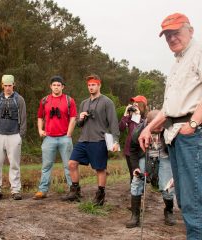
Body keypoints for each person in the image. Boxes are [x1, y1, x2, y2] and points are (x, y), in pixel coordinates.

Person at [138, 13, 202, 239]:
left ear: (190, 30)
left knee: (194, 201)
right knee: (184, 199)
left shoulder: (198, 53)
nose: (172, 38)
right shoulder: (176, 63)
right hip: (174, 135)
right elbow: (168, 108)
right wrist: (148, 128)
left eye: (176, 32)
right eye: (167, 35)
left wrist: (193, 124)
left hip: (192, 135)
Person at [62, 74, 120, 205]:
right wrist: (80, 118)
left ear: (99, 85)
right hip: (83, 139)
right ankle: (75, 192)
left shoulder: (107, 102)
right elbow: (79, 124)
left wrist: (115, 140)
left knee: (100, 169)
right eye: (89, 85)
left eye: (93, 85)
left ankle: (100, 196)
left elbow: (113, 122)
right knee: (71, 163)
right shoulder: (84, 103)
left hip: (99, 140)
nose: (91, 87)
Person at [126, 110, 176, 228]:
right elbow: (132, 152)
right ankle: (135, 215)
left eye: (161, 126)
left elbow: (177, 148)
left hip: (165, 157)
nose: (159, 129)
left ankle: (169, 211)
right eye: (156, 127)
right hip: (145, 156)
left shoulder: (170, 128)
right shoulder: (137, 131)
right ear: (148, 123)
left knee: (167, 186)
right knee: (136, 181)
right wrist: (135, 168)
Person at [33, 75, 77, 200]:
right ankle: (43, 190)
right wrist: (40, 130)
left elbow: (73, 117)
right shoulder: (44, 100)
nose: (56, 87)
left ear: (62, 87)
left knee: (68, 165)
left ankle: (72, 190)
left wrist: (69, 133)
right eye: (54, 85)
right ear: (50, 86)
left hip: (64, 137)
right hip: (49, 138)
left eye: (59, 85)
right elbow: (40, 117)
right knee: (46, 166)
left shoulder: (69, 100)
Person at [0, 74, 27, 200]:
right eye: (5, 85)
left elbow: (23, 117)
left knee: (14, 164)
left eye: (10, 85)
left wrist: (20, 135)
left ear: (13, 85)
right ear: (2, 85)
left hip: (14, 135)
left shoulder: (19, 99)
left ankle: (15, 190)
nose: (7, 88)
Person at [119, 95, 148, 183]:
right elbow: (121, 128)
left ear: (142, 105)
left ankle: (139, 190)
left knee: (141, 172)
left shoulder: (146, 118)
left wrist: (138, 116)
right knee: (133, 173)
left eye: (136, 103)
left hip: (141, 150)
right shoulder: (130, 117)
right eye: (133, 103)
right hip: (129, 150)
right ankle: (134, 192)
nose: (134, 105)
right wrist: (125, 114)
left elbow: (145, 127)